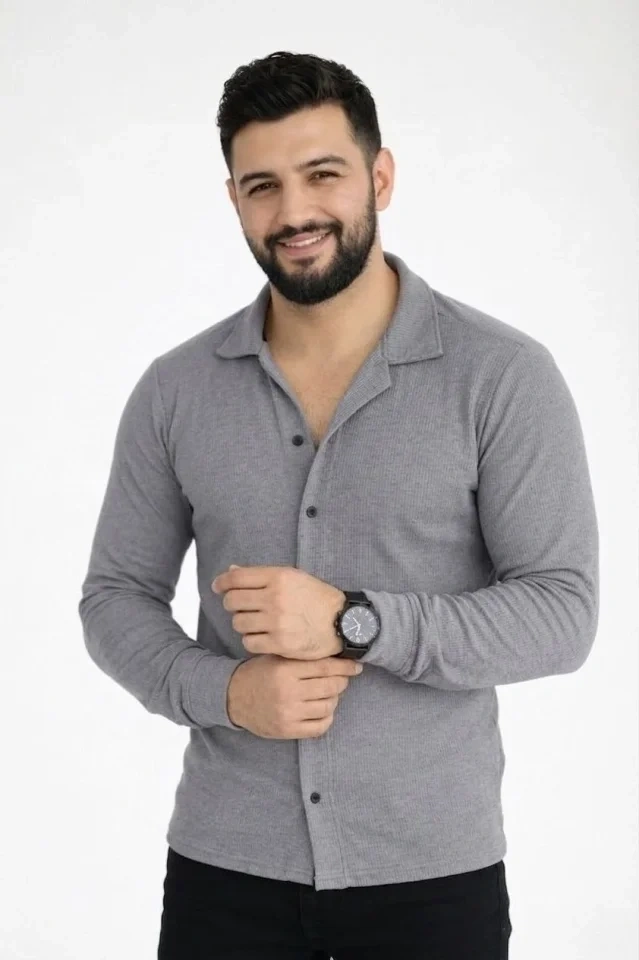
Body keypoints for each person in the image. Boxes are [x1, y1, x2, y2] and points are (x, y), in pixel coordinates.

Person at [78, 50, 599, 960]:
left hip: (431, 881)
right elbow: (114, 598)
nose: (293, 213)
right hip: (223, 872)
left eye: (322, 174)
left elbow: (561, 613)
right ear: (234, 200)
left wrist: (356, 622)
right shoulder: (175, 390)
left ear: (379, 177)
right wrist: (227, 693)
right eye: (262, 186)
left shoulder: (502, 377)